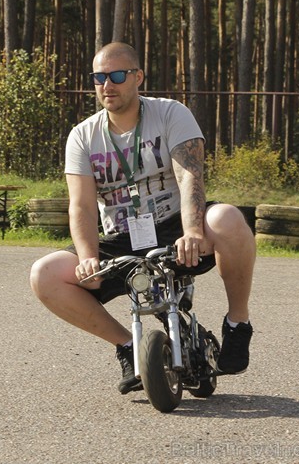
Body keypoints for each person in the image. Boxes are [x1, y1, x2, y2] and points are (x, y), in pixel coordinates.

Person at [29, 42, 255, 395]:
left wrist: (193, 231)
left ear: (138, 77)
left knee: (227, 217)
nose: (108, 85)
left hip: (173, 227)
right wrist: (88, 257)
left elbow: (189, 175)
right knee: (45, 273)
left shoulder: (170, 114)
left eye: (117, 76)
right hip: (121, 236)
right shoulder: (83, 136)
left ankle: (237, 324)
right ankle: (127, 346)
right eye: (99, 78)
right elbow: (82, 207)